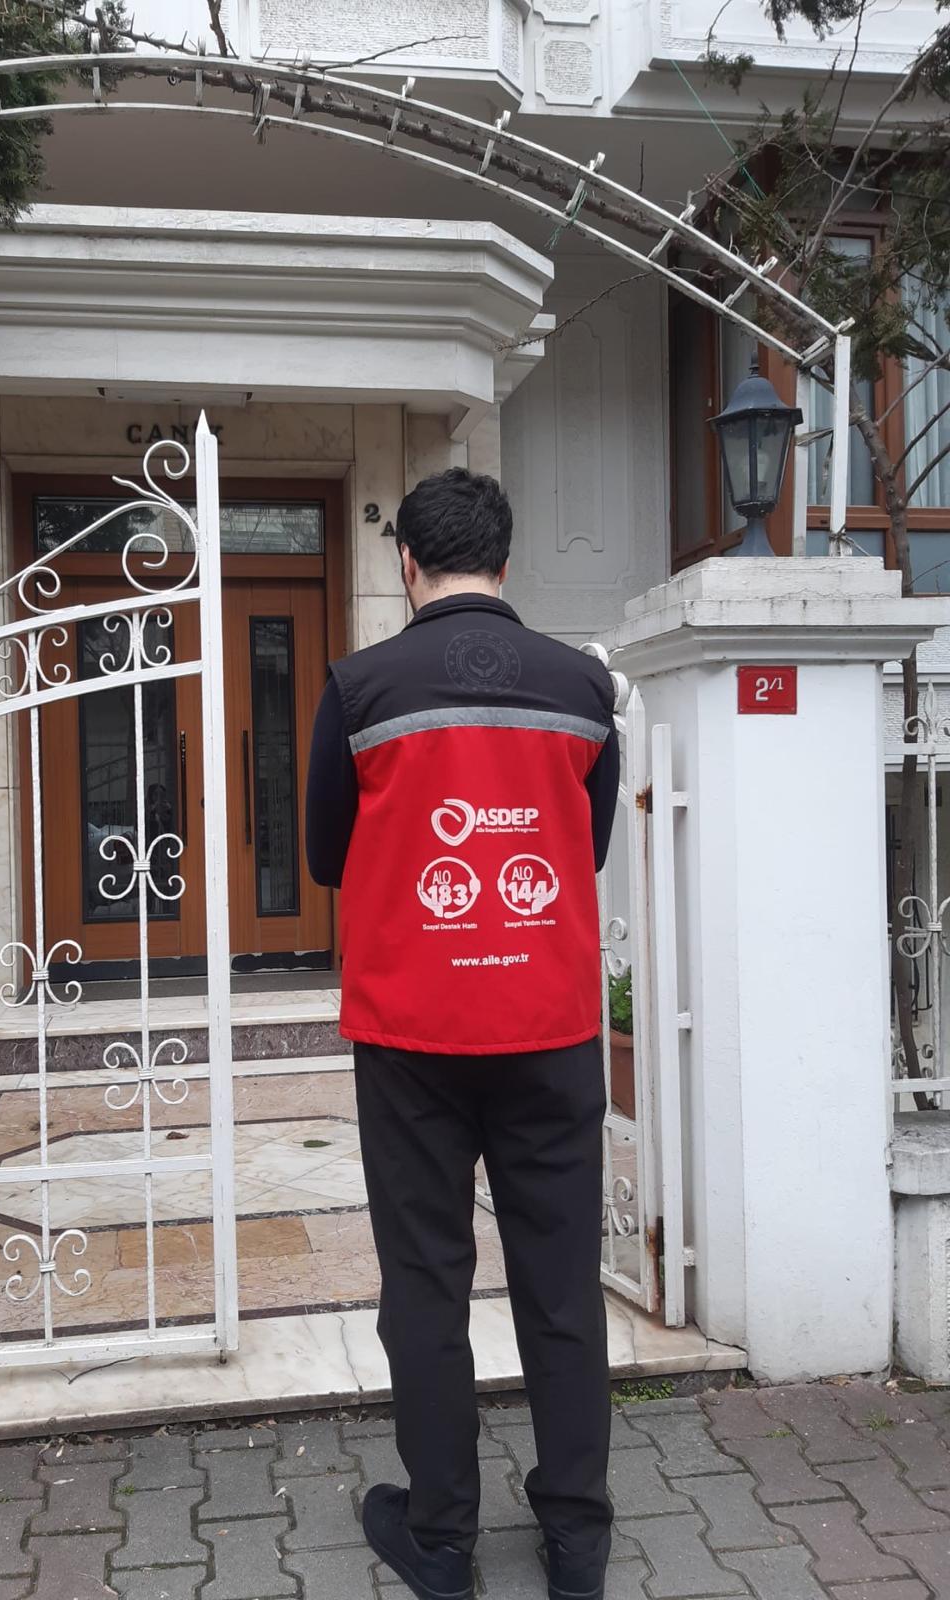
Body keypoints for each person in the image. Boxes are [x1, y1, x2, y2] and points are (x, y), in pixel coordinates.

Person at [305, 468, 620, 1600]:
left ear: (407, 563)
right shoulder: (582, 687)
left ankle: (441, 1542)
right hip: (549, 1028)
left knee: (427, 1286)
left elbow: (325, 855)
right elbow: (585, 848)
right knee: (561, 1283)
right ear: (506, 559)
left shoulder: (360, 687)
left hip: (413, 1038)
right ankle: (577, 1541)